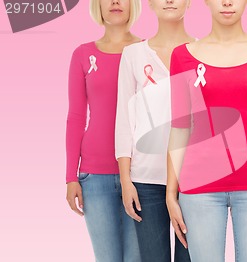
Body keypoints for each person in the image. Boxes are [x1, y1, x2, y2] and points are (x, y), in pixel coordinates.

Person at [166, 0, 247, 261]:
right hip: (199, 187)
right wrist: (170, 192)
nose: (227, 2)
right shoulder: (181, 56)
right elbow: (179, 128)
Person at [115, 0, 195, 261]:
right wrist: (126, 180)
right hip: (146, 181)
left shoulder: (203, 52)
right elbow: (124, 121)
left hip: (193, 179)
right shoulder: (133, 55)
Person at [65, 0, 142, 261]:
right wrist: (70, 177)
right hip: (94, 177)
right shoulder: (83, 54)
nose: (115, 2)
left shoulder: (147, 52)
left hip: (140, 174)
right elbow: (76, 117)